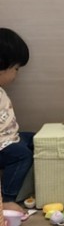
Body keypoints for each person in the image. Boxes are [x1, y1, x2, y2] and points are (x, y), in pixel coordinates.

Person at [0, 28, 34, 214]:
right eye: (16, 69)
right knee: (22, 155)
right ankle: (6, 199)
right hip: (2, 144)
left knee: (36, 139)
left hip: (10, 137)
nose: (16, 74)